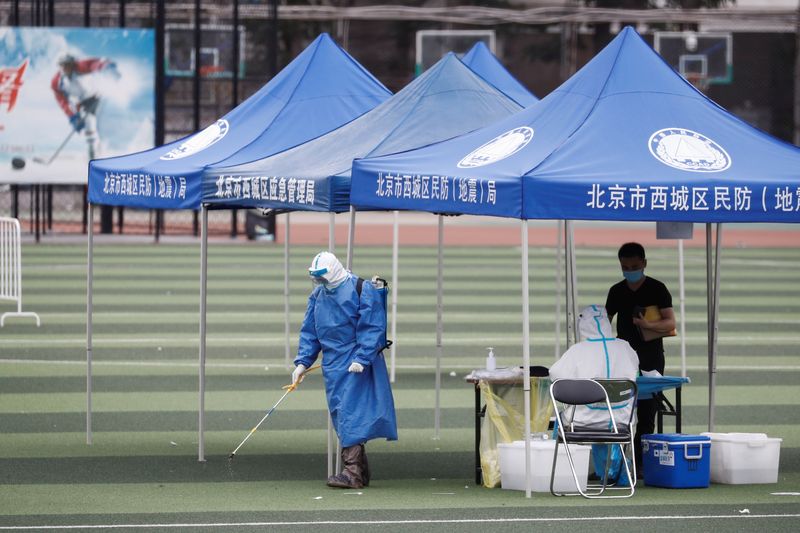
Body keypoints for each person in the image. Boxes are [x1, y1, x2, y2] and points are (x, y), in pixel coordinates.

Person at [292, 251, 397, 489]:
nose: (320, 283)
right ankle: (359, 470)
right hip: (333, 364)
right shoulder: (318, 295)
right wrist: (302, 363)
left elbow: (372, 326)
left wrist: (362, 357)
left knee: (350, 412)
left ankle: (353, 473)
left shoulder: (360, 289)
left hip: (356, 360)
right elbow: (310, 331)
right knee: (342, 413)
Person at [605, 242, 676, 475]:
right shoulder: (616, 291)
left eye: (634, 266)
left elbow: (670, 323)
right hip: (622, 357)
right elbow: (605, 321)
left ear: (644, 263)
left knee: (647, 410)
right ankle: (617, 461)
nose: (630, 270)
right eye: (625, 267)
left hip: (651, 357)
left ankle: (640, 462)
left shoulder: (657, 288)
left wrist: (648, 325)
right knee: (619, 408)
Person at [550, 305, 640, 483]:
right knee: (612, 417)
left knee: (560, 419)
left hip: (583, 421)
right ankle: (619, 473)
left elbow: (556, 376)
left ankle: (563, 473)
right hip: (622, 421)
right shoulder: (625, 347)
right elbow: (635, 370)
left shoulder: (578, 350)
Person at [51, 54, 119, 160]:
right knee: (88, 124)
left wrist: (105, 66)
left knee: (101, 123)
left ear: (72, 64)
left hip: (97, 96)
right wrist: (72, 116)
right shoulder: (57, 82)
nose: (65, 68)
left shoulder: (80, 66)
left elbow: (94, 63)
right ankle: (92, 152)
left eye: (67, 65)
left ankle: (106, 150)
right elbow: (62, 101)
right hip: (82, 103)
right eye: (62, 66)